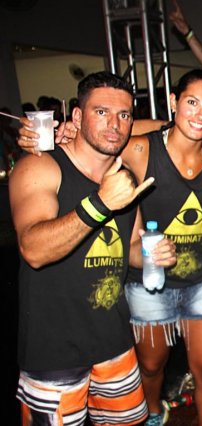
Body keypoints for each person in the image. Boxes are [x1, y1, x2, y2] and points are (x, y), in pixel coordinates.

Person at [11, 71, 175, 425]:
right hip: (54, 352)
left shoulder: (124, 175)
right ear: (76, 116)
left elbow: (129, 248)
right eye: (101, 112)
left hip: (114, 342)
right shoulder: (40, 166)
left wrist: (153, 253)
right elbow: (33, 250)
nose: (114, 124)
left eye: (124, 115)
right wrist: (100, 203)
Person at [122, 69, 202, 426]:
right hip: (149, 280)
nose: (200, 115)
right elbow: (104, 137)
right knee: (152, 364)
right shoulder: (141, 150)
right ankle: (153, 411)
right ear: (173, 102)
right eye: (192, 103)